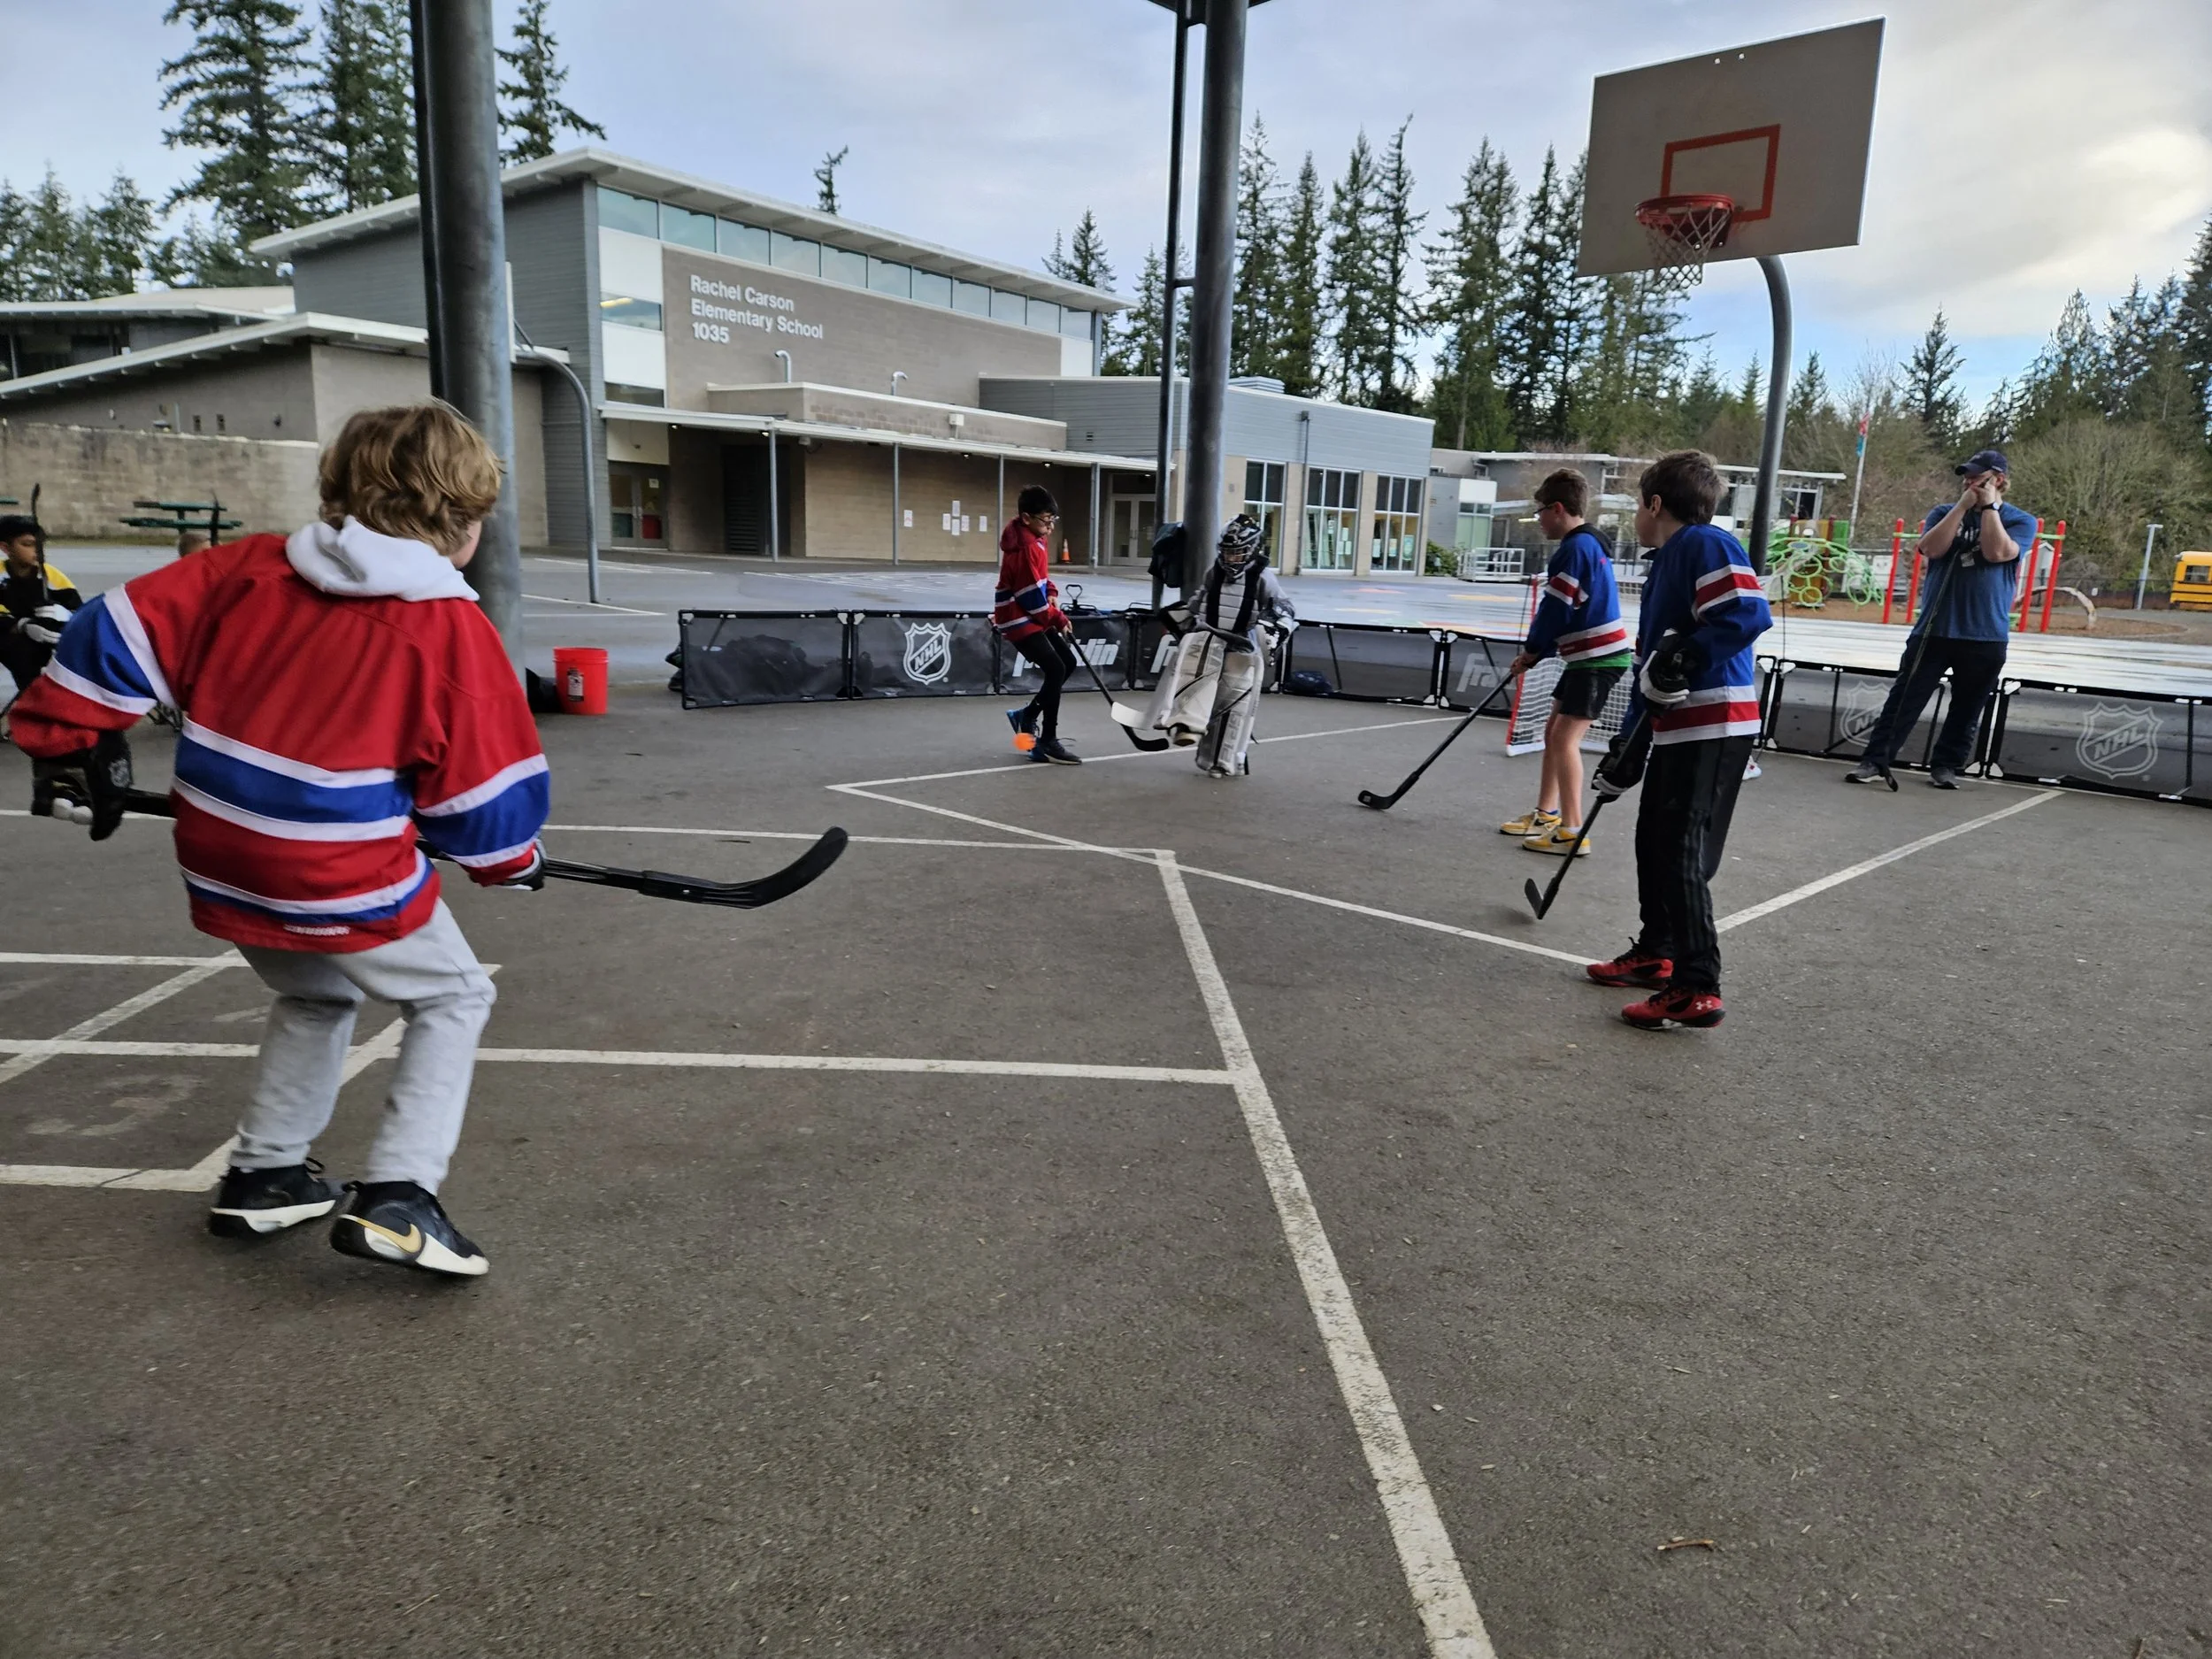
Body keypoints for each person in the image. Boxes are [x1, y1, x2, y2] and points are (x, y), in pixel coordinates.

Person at [7, 402, 549, 1277]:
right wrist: (511, 862)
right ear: (462, 521)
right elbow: (486, 803)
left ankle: (265, 1174)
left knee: (319, 994)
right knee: (451, 997)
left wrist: (72, 745)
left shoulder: (245, 568)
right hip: (336, 871)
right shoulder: (451, 631)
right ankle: (401, 1199)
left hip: (224, 860)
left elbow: (104, 635)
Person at [1586, 450, 1772, 1031]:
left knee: (1680, 850)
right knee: (1653, 841)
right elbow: (1655, 667)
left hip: (1713, 721)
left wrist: (1684, 661)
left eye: (1636, 506)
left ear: (1656, 504)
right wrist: (1628, 749)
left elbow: (1746, 612)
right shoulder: (1667, 560)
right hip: (1680, 725)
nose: (1634, 518)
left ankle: (1697, 984)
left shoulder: (1702, 543)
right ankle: (1656, 949)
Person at [1847, 448, 2039, 788]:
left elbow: (1998, 553)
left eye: (1977, 477)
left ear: (1999, 480)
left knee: (1967, 707)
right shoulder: (1943, 512)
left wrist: (1990, 508)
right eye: (1967, 477)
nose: (1968, 482)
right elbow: (1930, 549)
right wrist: (1963, 507)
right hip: (1935, 629)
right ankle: (1875, 761)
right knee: (1904, 699)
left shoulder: (2019, 520)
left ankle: (1946, 766)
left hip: (1986, 634)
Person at [1500, 469, 1632, 856]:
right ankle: (1547, 813)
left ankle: (1573, 831)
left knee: (1564, 738)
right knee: (1552, 730)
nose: (1538, 520)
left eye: (1540, 512)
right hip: (1585, 659)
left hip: (1597, 660)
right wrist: (1542, 652)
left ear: (1557, 509)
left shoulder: (1574, 550)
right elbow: (1575, 611)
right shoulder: (1587, 546)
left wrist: (1534, 650)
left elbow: (1556, 610)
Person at [1145, 513, 1295, 778]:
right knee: (1195, 674)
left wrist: (1274, 632)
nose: (1231, 559)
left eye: (1237, 553)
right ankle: (1186, 725)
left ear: (1251, 550)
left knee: (1232, 705)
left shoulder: (1263, 577)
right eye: (1227, 553)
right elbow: (1198, 602)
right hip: (1209, 637)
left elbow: (1284, 609)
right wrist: (1182, 617)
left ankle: (1221, 759)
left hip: (1242, 646)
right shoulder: (1213, 573)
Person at [995, 485, 1080, 764]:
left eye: (1052, 520)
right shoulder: (1024, 547)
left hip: (1033, 615)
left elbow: (1040, 580)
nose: (1050, 527)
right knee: (1056, 668)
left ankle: (1028, 715)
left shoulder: (1035, 539)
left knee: (1067, 662)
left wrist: (1052, 591)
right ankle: (1047, 740)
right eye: (1046, 520)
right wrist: (1060, 618)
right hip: (1019, 619)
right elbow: (1030, 597)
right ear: (1026, 517)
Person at [0, 514, 81, 700]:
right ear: (5, 548)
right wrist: (22, 625)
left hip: (48, 643)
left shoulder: (52, 577)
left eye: (40, 544)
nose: (37, 550)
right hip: (10, 642)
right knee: (22, 656)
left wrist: (67, 616)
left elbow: (79, 612)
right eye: (27, 544)